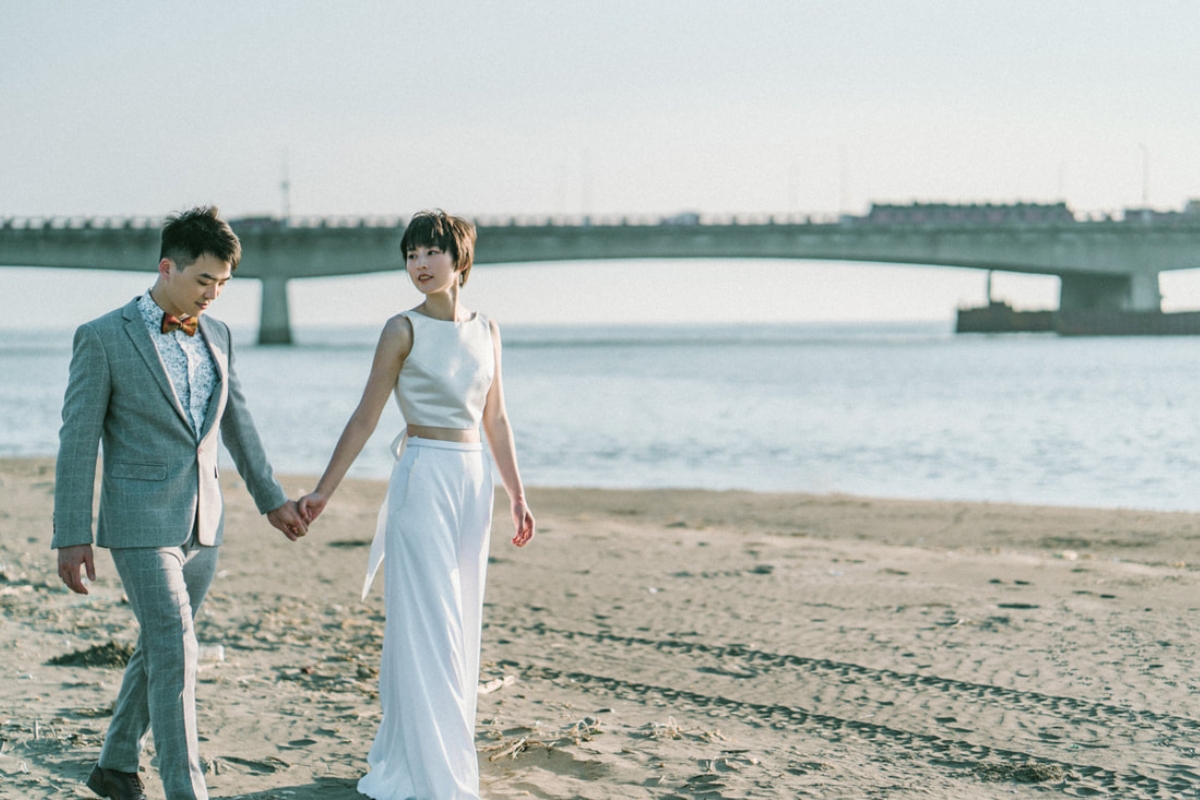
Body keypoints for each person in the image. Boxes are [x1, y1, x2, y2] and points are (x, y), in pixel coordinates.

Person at [53, 206, 309, 800]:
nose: (214, 295)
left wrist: (272, 502)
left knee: (159, 647)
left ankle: (114, 766)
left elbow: (238, 426)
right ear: (166, 267)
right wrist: (72, 533)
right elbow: (76, 443)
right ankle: (184, 789)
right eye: (204, 281)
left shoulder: (217, 335)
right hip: (139, 522)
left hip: (205, 524)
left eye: (223, 284)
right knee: (177, 648)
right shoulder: (101, 337)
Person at [298, 209, 535, 800]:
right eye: (411, 256)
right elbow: (365, 416)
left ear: (460, 260)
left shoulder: (488, 331)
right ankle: (432, 772)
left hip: (473, 477)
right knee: (429, 623)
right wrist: (324, 490)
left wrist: (518, 495)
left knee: (462, 621)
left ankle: (444, 754)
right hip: (422, 475)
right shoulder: (400, 329)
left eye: (431, 253)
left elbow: (497, 419)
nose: (420, 265)